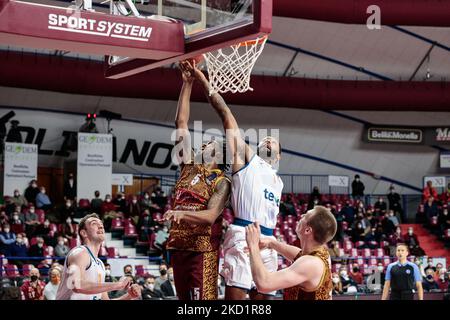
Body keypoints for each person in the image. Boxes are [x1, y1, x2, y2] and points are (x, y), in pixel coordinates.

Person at [185, 61, 283, 301]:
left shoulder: (278, 181)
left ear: (279, 156)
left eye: (273, 140)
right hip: (242, 233)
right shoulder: (248, 160)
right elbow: (226, 115)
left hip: (269, 241)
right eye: (265, 139)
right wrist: (201, 79)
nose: (268, 140)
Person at [162, 61, 231, 301]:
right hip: (178, 248)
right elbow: (180, 123)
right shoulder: (188, 167)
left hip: (202, 252)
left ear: (220, 155)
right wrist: (187, 83)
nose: (203, 144)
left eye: (209, 144)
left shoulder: (222, 182)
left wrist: (181, 214)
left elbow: (211, 216)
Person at [245, 206, 337, 300]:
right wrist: (271, 243)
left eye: (306, 215)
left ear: (307, 230)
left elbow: (264, 283)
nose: (302, 215)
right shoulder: (321, 254)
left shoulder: (310, 264)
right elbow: (297, 254)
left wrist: (253, 245)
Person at [55, 213, 141, 300]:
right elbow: (77, 285)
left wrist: (129, 296)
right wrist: (117, 285)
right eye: (94, 224)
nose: (100, 226)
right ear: (84, 233)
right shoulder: (80, 253)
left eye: (101, 224)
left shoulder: (100, 264)